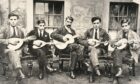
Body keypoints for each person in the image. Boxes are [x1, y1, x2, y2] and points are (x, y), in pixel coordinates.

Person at [0, 12, 31, 78]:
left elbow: (23, 41)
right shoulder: (4, 29)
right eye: (11, 19)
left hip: (18, 49)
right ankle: (20, 72)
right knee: (13, 52)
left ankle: (16, 73)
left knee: (16, 53)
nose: (13, 21)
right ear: (8, 20)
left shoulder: (20, 30)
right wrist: (9, 41)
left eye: (15, 19)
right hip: (6, 49)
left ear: (17, 20)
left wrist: (26, 41)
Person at [79, 17, 109, 82]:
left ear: (100, 23)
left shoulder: (103, 32)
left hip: (99, 49)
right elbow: (81, 40)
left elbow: (107, 41)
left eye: (97, 23)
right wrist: (88, 42)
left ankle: (91, 74)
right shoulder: (88, 31)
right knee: (92, 49)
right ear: (92, 24)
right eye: (94, 23)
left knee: (92, 53)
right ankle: (96, 68)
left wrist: (104, 44)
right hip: (89, 48)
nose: (96, 25)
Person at [112, 19, 140, 83]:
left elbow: (138, 46)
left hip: (130, 52)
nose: (124, 27)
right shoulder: (119, 33)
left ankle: (115, 78)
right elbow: (114, 42)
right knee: (116, 52)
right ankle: (119, 70)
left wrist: (132, 44)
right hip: (120, 51)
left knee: (116, 56)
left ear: (129, 26)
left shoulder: (134, 34)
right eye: (123, 26)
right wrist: (116, 44)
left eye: (126, 25)